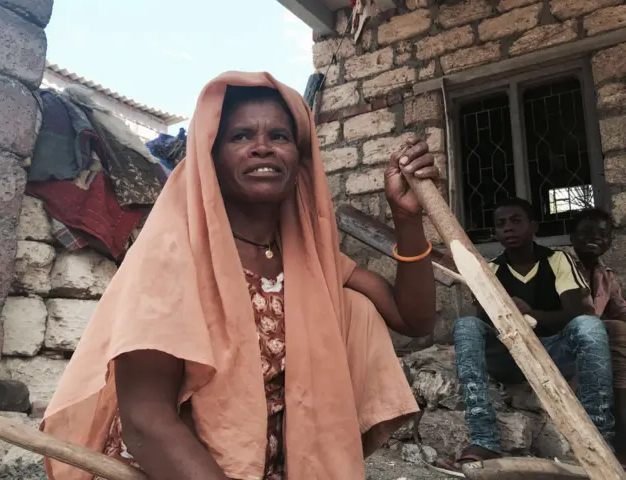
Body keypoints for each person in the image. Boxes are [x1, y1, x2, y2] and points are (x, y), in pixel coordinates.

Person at [41, 72, 440, 480]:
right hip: (174, 468)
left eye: (280, 137)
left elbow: (413, 320)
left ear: (300, 160)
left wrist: (407, 220)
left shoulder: (310, 259)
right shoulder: (172, 255)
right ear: (210, 157)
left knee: (355, 308)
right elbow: (146, 417)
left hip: (273, 467)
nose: (262, 147)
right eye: (241, 136)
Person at [442, 197, 615, 471]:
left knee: (590, 327)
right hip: (508, 358)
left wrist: (530, 313)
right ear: (495, 234)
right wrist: (503, 311)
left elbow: (578, 311)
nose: (508, 228)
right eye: (501, 224)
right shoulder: (492, 269)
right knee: (466, 326)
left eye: (515, 221)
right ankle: (484, 439)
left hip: (552, 352)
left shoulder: (558, 260)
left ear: (533, 226)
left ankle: (599, 439)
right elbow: (484, 321)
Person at [571, 208, 626, 461]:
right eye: (587, 232)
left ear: (610, 242)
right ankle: (620, 431)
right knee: (616, 331)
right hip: (563, 337)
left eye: (602, 235)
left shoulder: (606, 275)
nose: (594, 239)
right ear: (573, 236)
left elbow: (620, 309)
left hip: (593, 340)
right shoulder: (558, 264)